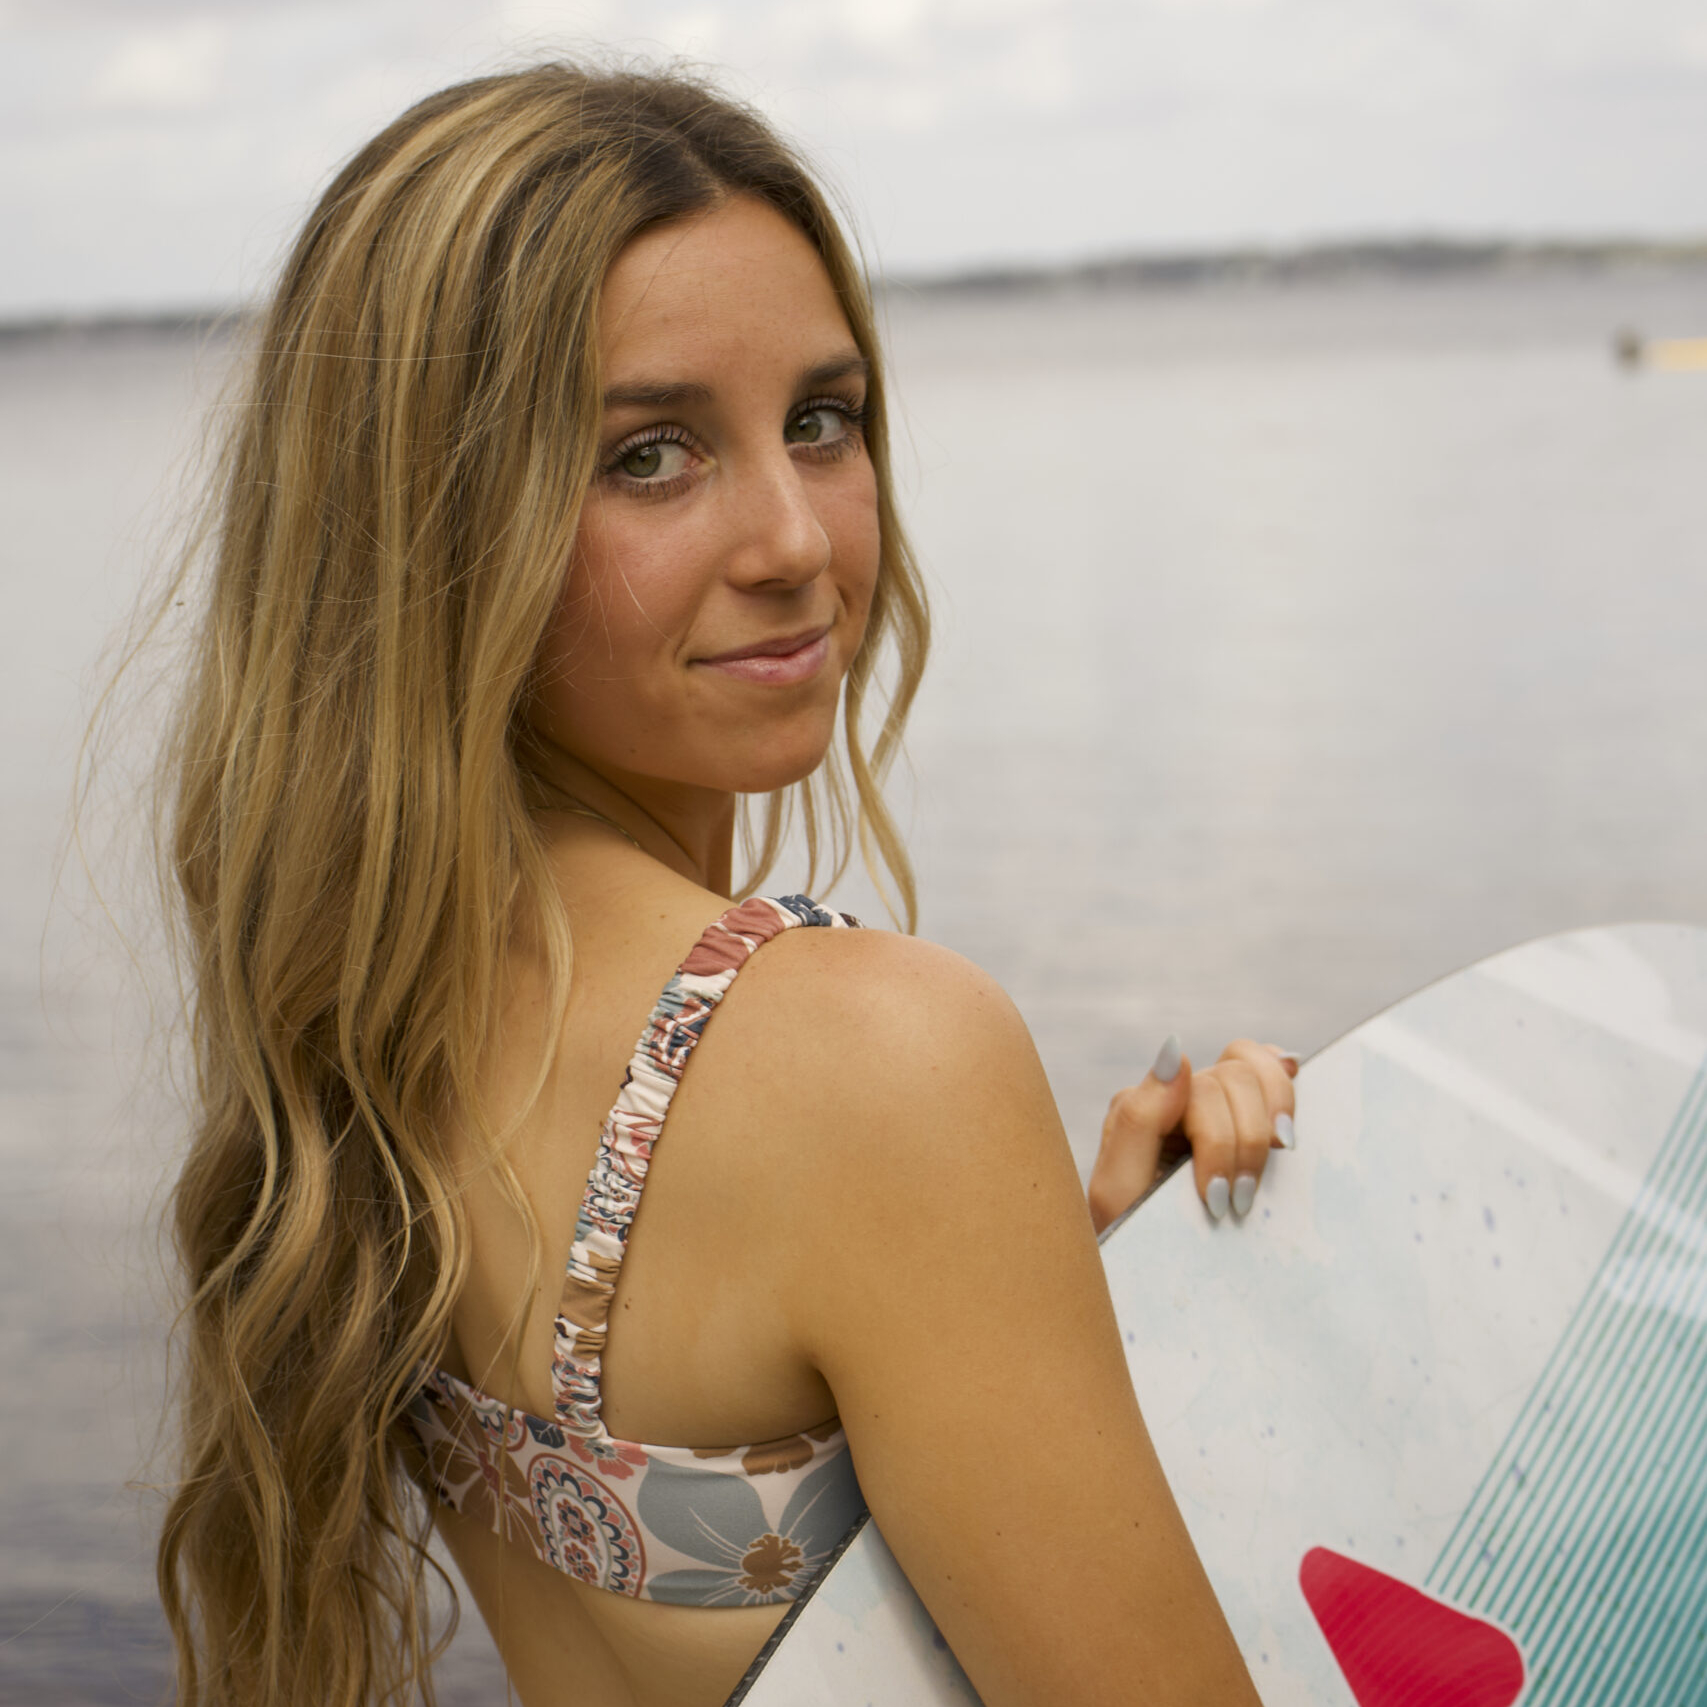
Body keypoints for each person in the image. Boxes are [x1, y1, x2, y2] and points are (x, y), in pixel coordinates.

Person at [152, 61, 1296, 1707]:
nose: (797, 540)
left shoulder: (367, 1006)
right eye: (650, 456)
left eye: (821, 424)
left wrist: (1063, 1285)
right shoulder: (871, 1058)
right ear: (431, 527)